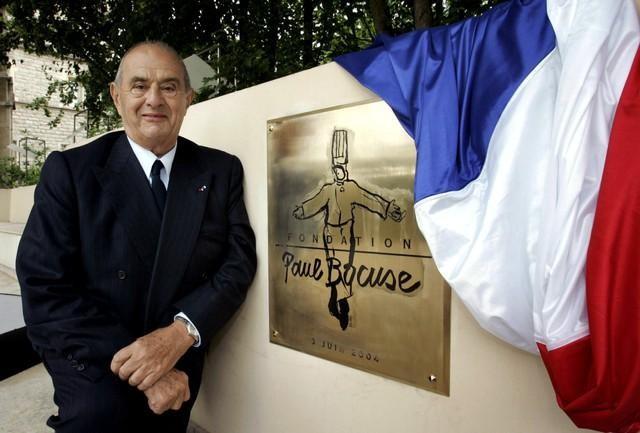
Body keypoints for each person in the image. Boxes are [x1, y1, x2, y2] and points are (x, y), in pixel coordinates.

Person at [16, 41, 257, 433]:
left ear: (188, 98)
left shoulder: (220, 171)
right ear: (116, 96)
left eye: (169, 86)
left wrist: (181, 333)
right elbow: (45, 283)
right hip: (92, 352)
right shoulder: (71, 172)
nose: (154, 99)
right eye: (139, 85)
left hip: (179, 350)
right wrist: (147, 367)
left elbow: (239, 261)